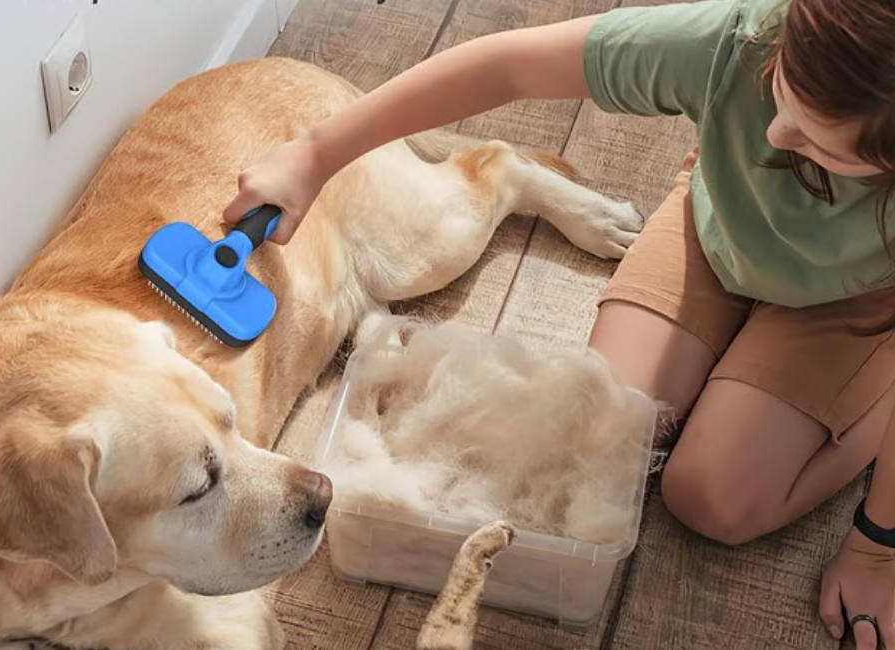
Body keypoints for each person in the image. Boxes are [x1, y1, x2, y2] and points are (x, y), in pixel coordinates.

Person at [221, 0, 895, 646]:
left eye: (815, 143)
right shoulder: (741, 38)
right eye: (781, 89)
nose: (775, 133)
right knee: (599, 429)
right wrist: (314, 154)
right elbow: (507, 65)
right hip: (718, 225)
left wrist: (876, 548)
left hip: (856, 299)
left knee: (709, 499)